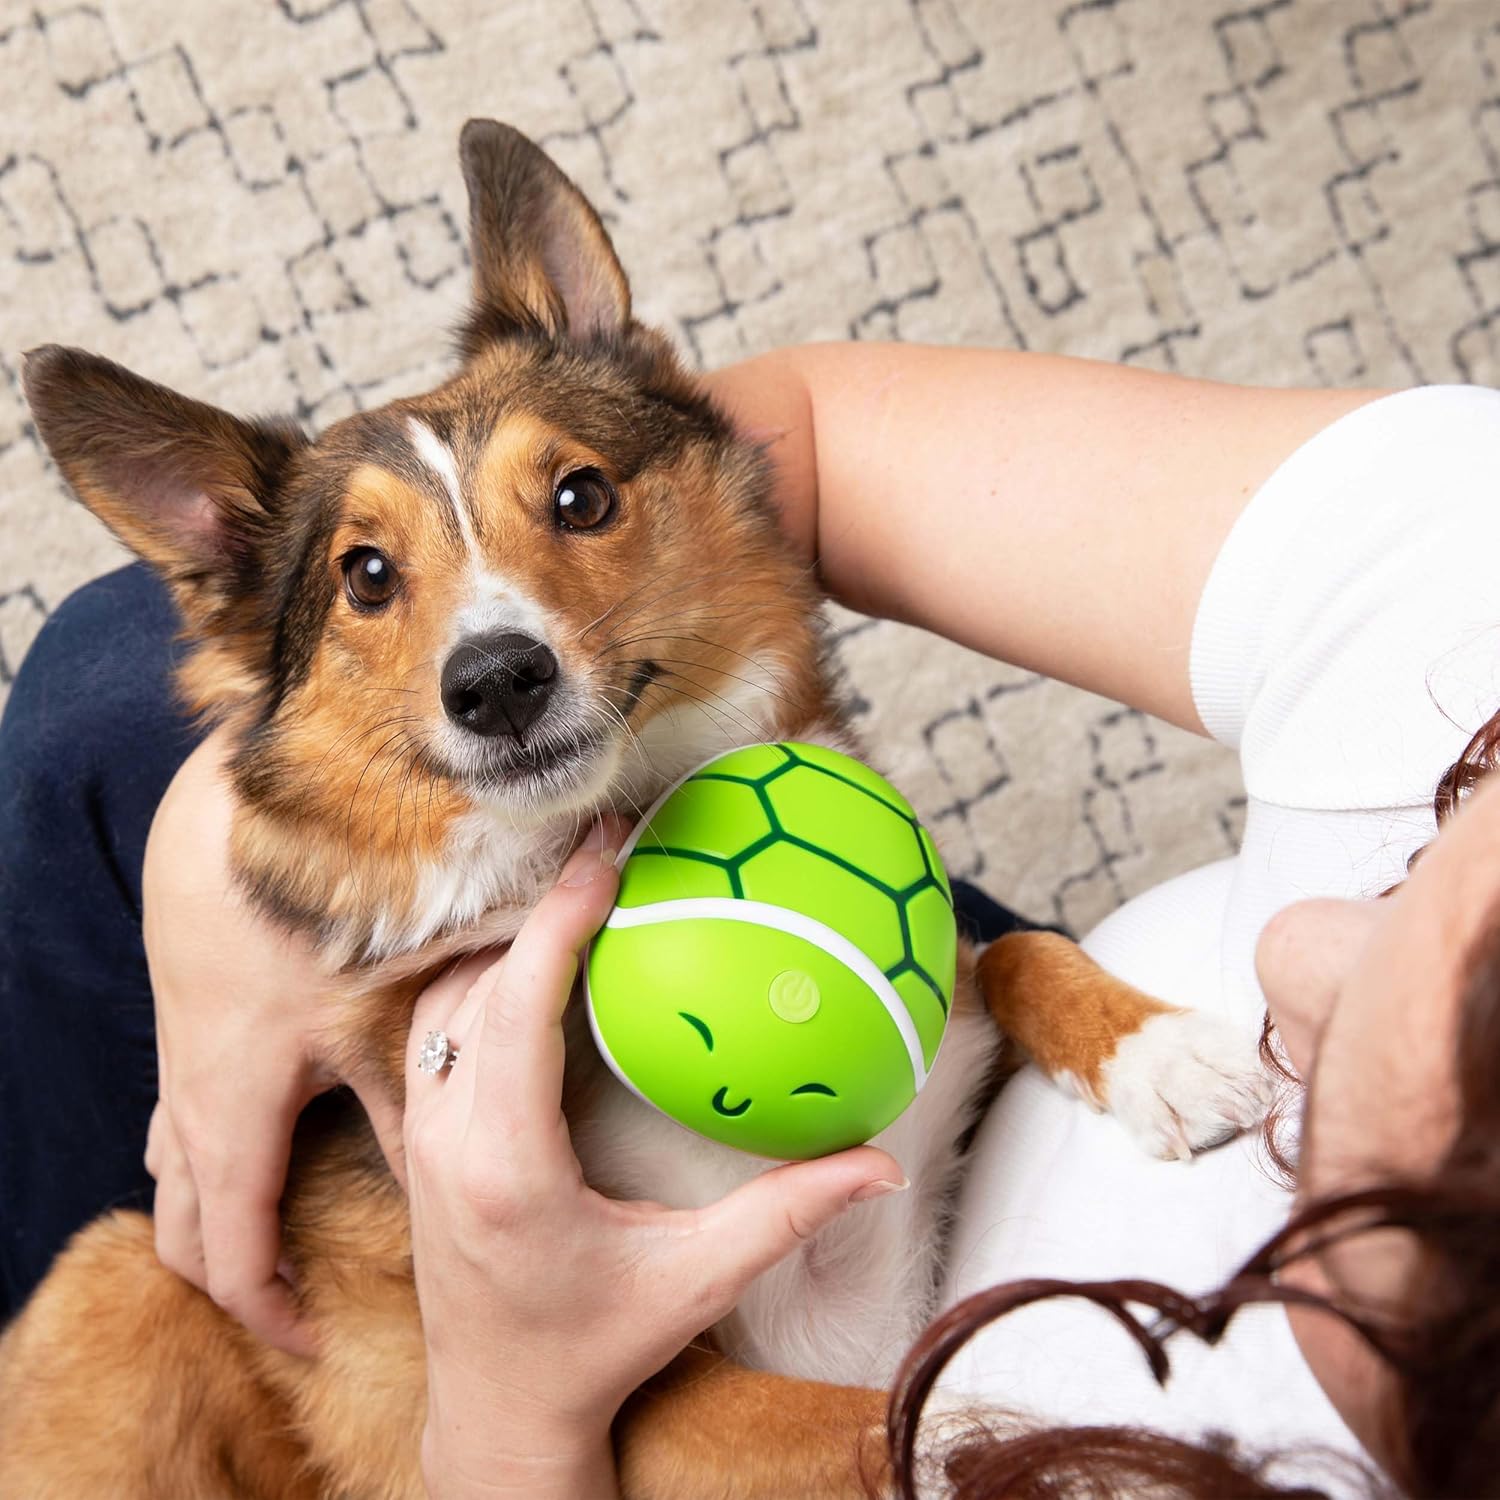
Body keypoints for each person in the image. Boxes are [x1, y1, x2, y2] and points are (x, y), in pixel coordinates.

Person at [1, 341, 1495, 1496]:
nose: (1292, 937)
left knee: (112, 1293)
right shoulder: (1456, 584)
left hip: (679, 1393)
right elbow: (771, 444)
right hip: (864, 1001)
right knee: (107, 685)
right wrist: (233, 869)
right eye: (1450, 856)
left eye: (1426, 1049)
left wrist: (516, 1411)